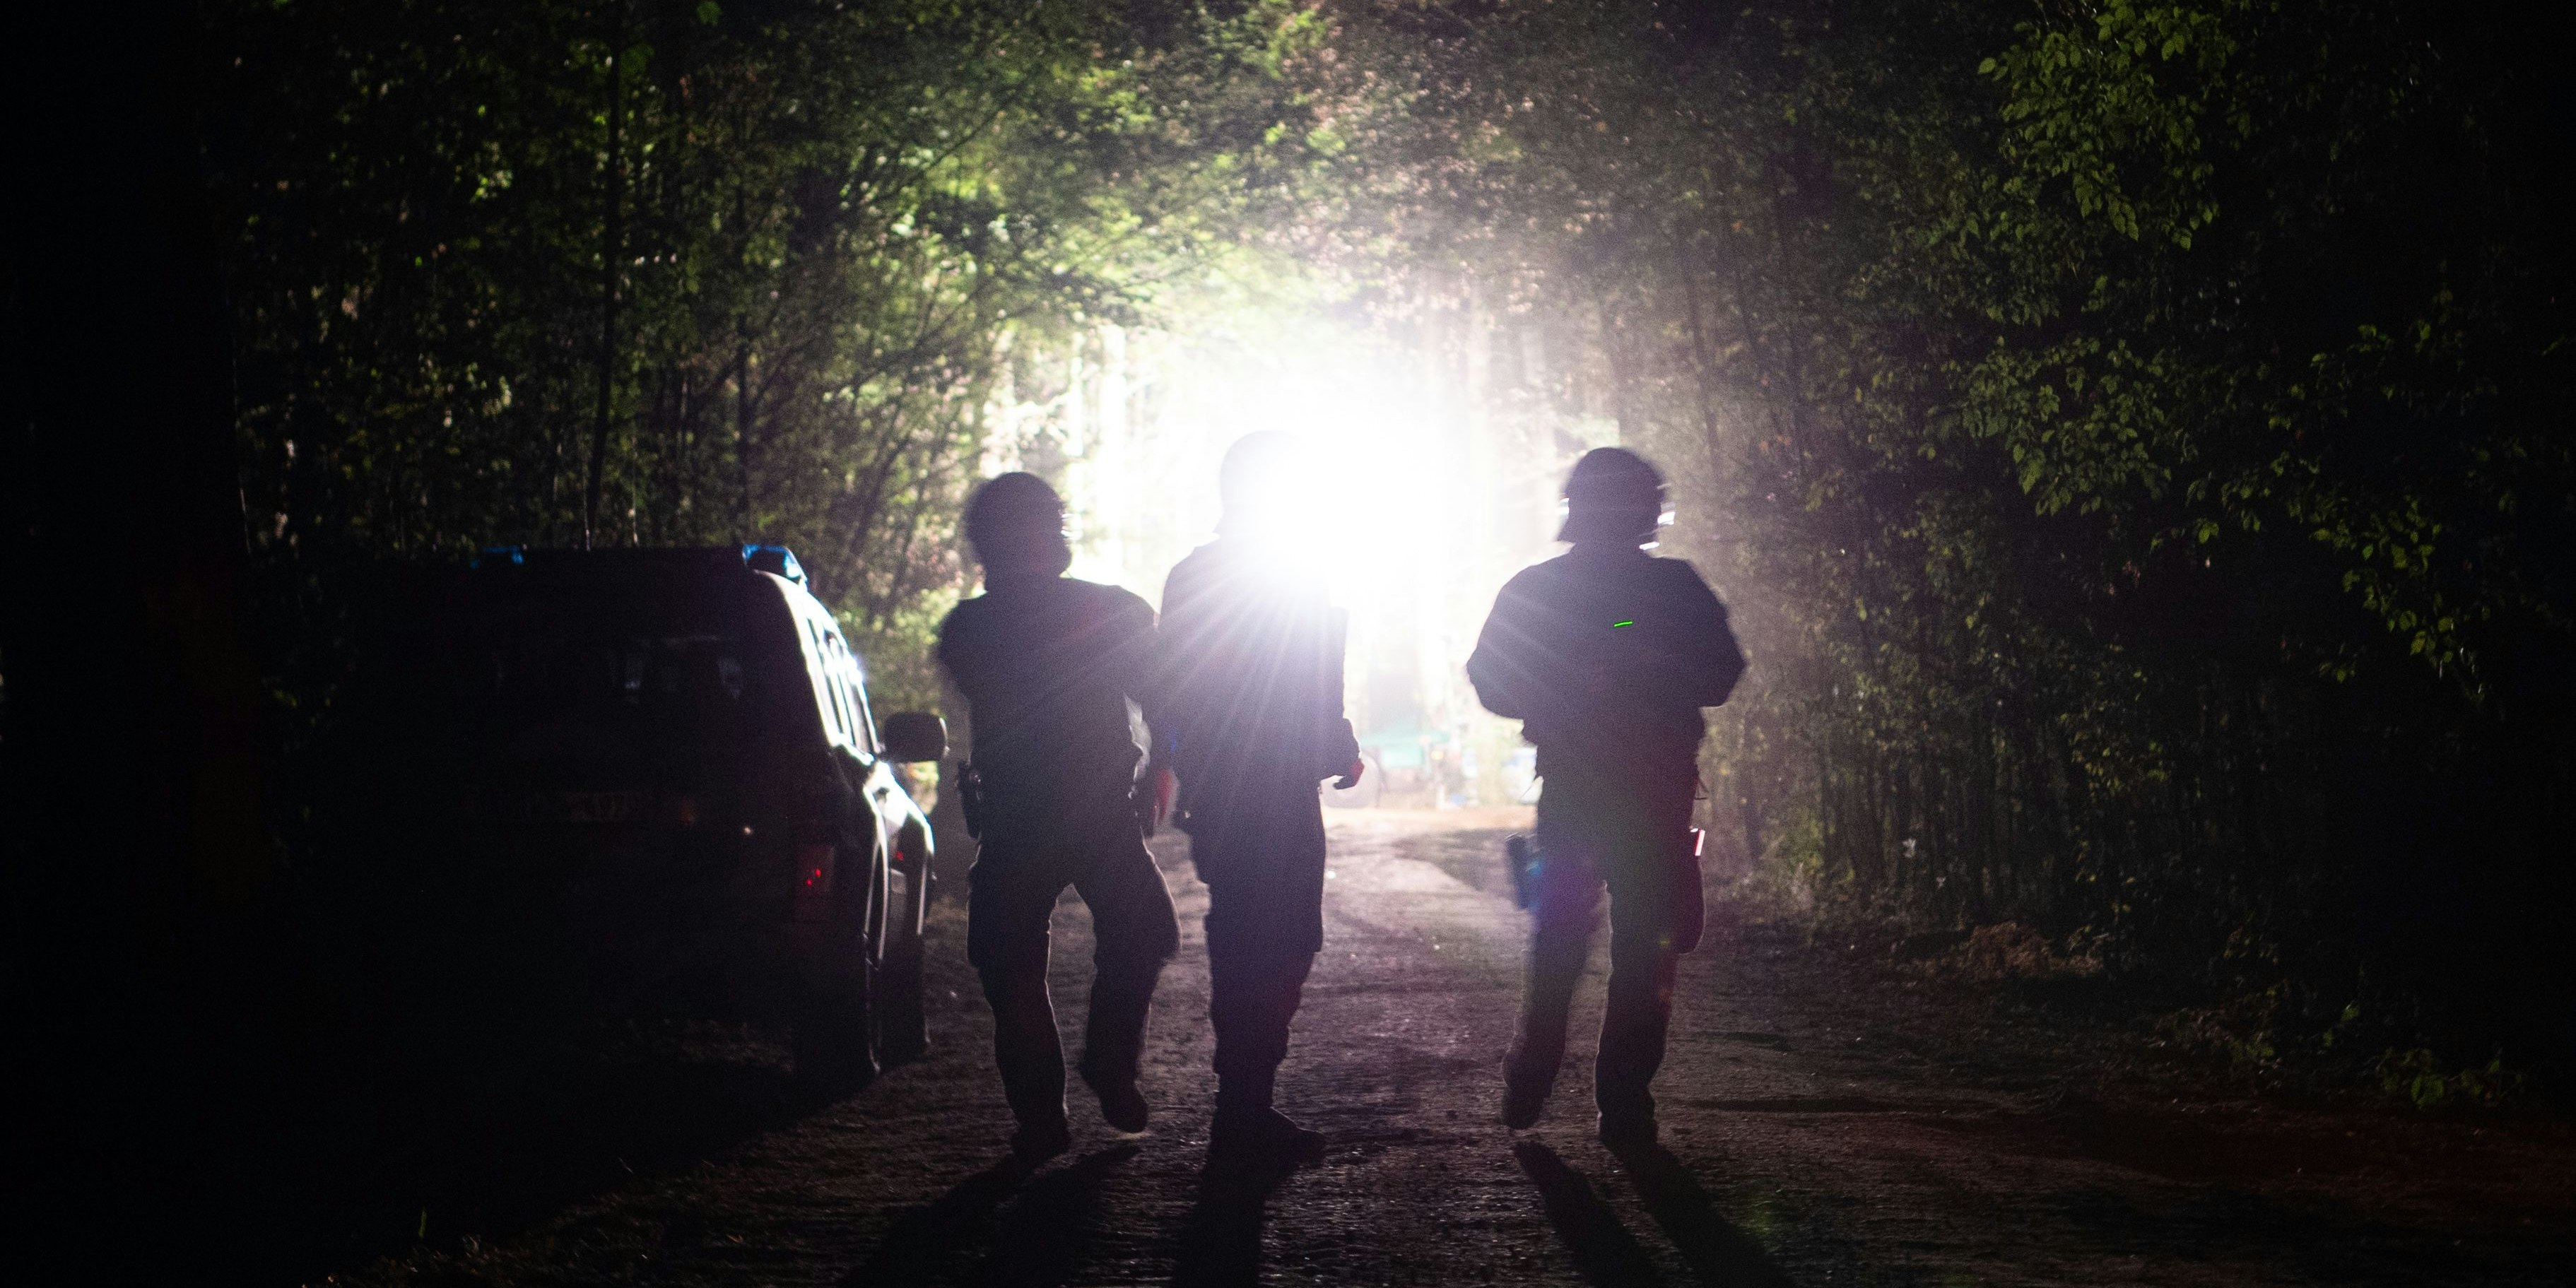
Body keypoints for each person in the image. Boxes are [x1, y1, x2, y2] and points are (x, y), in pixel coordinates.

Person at [1466, 447, 1746, 1148]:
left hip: (1580, 787)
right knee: (1641, 944)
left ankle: (1539, 1070)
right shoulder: (1676, 589)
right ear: (1651, 510)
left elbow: (1492, 679)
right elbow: (1719, 673)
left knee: (1564, 936)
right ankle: (1620, 1100)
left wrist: (1566, 686)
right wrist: (1643, 668)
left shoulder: (1539, 589)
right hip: (1648, 790)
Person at [937, 473, 1181, 1165]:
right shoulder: (1111, 611)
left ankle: (1044, 1117)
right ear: (1051, 535)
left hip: (1019, 817)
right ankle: (1108, 1064)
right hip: (1096, 810)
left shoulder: (967, 628)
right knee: (1143, 933)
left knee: (1009, 963)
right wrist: (1159, 762)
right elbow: (1162, 697)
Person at [1147, 432, 1363, 1166]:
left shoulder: (1197, 575)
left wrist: (1182, 761)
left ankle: (1244, 1096)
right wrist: (1330, 739)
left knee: (1259, 932)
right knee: (1279, 934)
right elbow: (1312, 674)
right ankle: (1243, 1101)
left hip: (1233, 782)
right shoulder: (1291, 574)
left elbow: (1171, 681)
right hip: (1265, 781)